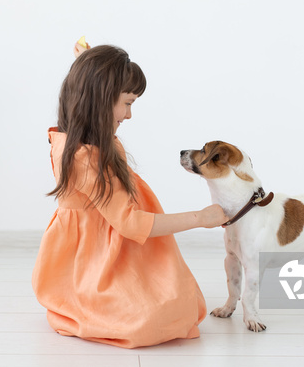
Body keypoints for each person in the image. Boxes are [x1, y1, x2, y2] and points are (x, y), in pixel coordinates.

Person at [32, 40, 227, 349]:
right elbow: (132, 224)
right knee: (155, 320)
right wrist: (201, 218)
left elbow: (88, 86)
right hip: (95, 259)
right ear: (98, 99)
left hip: (117, 247)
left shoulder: (79, 139)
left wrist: (87, 61)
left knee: (181, 305)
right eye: (127, 102)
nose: (130, 114)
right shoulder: (85, 157)